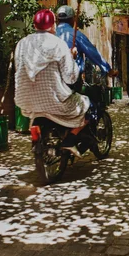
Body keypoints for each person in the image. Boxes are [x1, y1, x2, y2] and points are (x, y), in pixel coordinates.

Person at [14, 9, 91, 156]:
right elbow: (70, 77)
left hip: (26, 101)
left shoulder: (22, 44)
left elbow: (18, 70)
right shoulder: (58, 44)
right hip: (55, 101)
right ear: (51, 25)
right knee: (87, 106)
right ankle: (70, 139)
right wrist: (72, 57)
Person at [55, 5, 112, 90]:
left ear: (57, 20)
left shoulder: (50, 35)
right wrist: (107, 69)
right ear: (72, 19)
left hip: (53, 79)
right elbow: (92, 53)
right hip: (71, 79)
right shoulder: (76, 35)